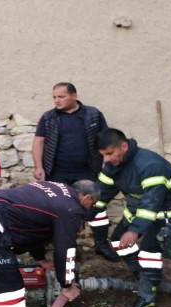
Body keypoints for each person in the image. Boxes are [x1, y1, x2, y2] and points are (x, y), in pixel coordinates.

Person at [91, 128, 171, 307]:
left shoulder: (151, 164)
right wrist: (86, 212)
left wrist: (135, 230)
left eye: (110, 154)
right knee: (119, 241)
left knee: (148, 253)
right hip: (139, 207)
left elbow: (152, 202)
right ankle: (144, 276)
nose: (107, 159)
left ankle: (147, 301)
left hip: (166, 209)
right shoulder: (113, 164)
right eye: (103, 156)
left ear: (124, 146)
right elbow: (101, 193)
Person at [31, 82, 117, 261]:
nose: (57, 100)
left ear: (74, 96)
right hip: (57, 173)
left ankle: (101, 245)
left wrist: (105, 162)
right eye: (54, 97)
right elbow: (39, 141)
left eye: (61, 96)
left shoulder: (93, 114)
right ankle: (69, 248)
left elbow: (105, 138)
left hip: (88, 172)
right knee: (61, 210)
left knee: (97, 208)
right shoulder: (48, 117)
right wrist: (39, 166)